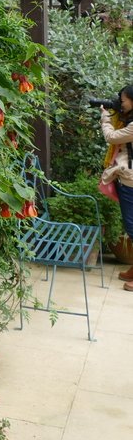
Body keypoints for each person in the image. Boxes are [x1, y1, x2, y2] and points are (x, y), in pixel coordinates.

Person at [100, 85, 133, 289]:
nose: (120, 103)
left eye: (123, 101)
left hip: (131, 180)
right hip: (128, 178)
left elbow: (111, 137)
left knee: (132, 226)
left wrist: (105, 117)